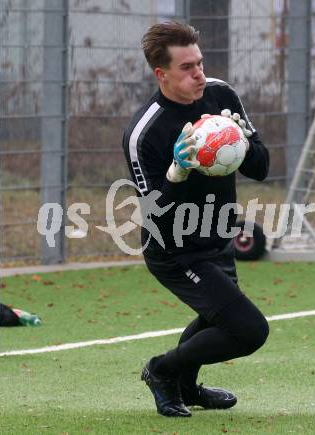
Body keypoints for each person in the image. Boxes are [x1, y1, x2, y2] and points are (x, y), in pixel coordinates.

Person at [122, 21, 270, 418]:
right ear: (162, 73)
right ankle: (161, 370)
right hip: (175, 251)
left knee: (215, 317)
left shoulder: (221, 95)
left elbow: (262, 168)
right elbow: (155, 213)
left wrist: (241, 144)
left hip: (218, 235)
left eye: (200, 63)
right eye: (187, 67)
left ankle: (186, 387)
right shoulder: (145, 132)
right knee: (249, 329)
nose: (199, 73)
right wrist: (176, 173)